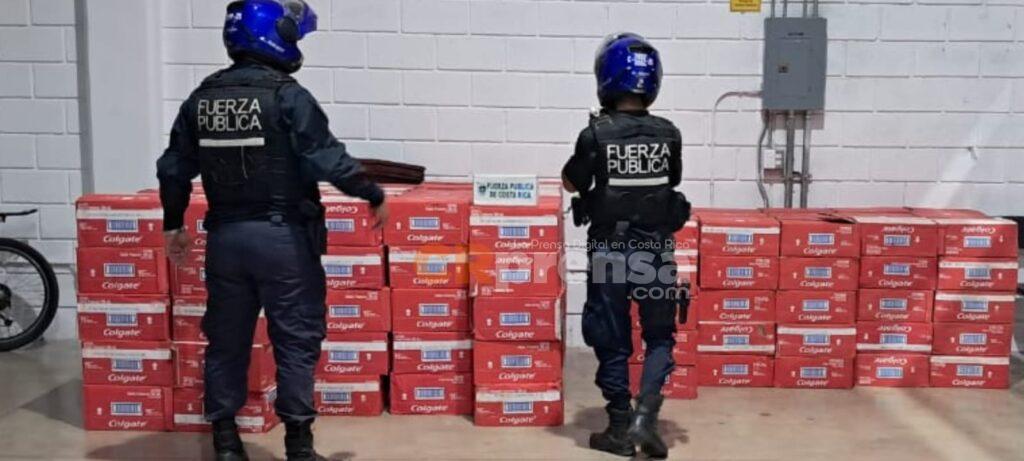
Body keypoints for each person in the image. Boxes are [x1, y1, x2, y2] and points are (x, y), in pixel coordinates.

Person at [156, 1, 387, 460]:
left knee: (226, 341)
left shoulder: (201, 99)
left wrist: (173, 223)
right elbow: (327, 158)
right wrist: (371, 192)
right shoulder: (288, 97)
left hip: (225, 240)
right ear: (274, 36)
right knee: (296, 339)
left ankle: (225, 444)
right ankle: (298, 447)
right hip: (283, 241)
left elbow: (173, 168)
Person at [562, 33, 691, 460]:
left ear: (606, 77)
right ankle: (646, 419)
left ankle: (620, 426)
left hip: (611, 252)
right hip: (656, 251)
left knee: (611, 334)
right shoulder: (670, 135)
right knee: (659, 336)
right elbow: (671, 180)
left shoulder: (594, 134)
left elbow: (570, 183)